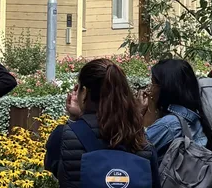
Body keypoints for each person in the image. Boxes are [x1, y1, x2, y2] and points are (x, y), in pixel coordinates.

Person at [44, 58, 160, 188]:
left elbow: (53, 167)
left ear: (85, 92)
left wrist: (75, 120)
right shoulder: (141, 139)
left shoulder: (63, 135)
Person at [145, 59, 212, 159]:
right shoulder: (194, 117)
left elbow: (134, 150)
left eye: (153, 84)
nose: (151, 90)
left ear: (166, 88)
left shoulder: (169, 124)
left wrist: (139, 114)